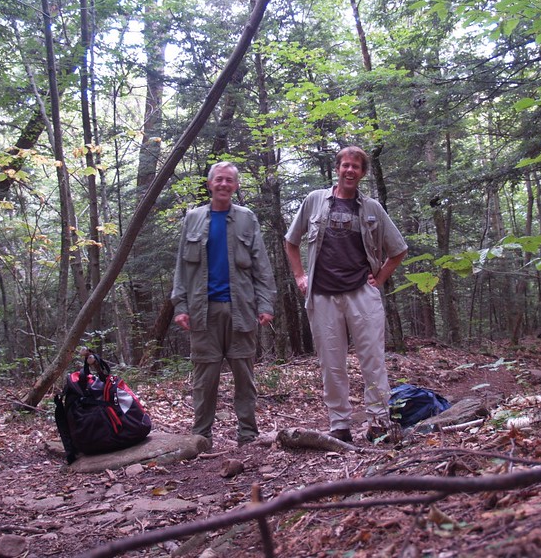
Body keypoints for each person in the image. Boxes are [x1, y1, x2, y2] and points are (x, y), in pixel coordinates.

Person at [284, 146, 408, 443]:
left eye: (356, 167)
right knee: (332, 363)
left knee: (373, 359)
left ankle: (379, 422)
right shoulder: (315, 201)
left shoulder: (372, 208)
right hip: (323, 295)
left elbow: (399, 250)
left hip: (362, 293)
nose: (350, 170)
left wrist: (378, 279)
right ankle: (339, 424)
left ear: (362, 173)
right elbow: (291, 241)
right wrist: (301, 276)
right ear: (337, 169)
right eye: (345, 165)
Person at [171, 161, 276, 448]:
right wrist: (180, 306)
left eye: (229, 180)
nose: (224, 185)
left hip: (241, 309)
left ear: (236, 186)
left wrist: (265, 303)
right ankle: (201, 436)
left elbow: (261, 266)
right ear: (209, 184)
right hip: (202, 311)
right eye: (219, 179)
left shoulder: (247, 218)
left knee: (244, 375)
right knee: (204, 378)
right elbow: (182, 267)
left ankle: (248, 436)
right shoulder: (192, 219)